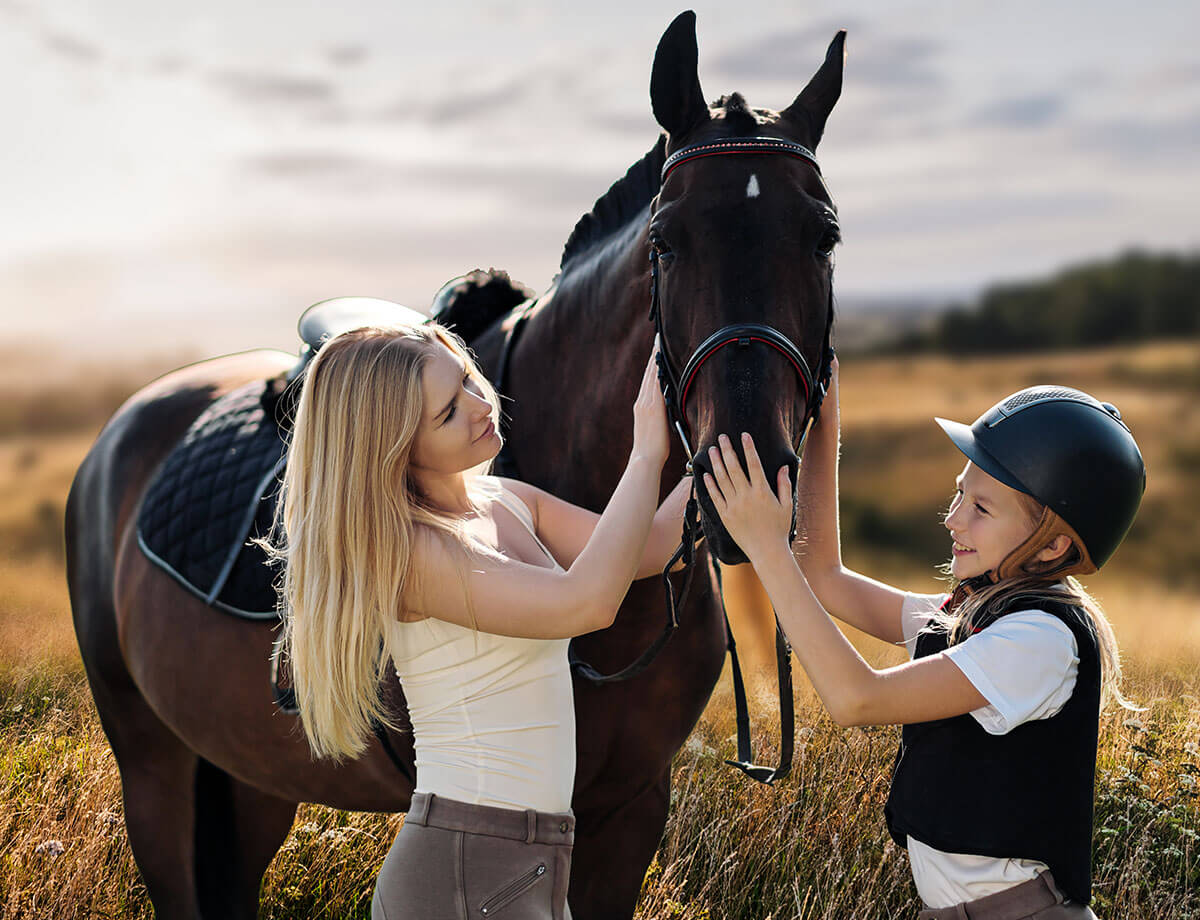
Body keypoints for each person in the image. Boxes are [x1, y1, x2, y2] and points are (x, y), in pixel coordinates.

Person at [265, 318, 687, 920]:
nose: (476, 404)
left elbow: (652, 545)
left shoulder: (507, 501)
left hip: (528, 861)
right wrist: (647, 454)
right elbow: (587, 602)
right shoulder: (413, 551)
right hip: (465, 869)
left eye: (464, 379)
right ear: (396, 446)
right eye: (446, 413)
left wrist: (720, 448)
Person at [701, 361, 1145, 920]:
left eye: (981, 508)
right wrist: (823, 418)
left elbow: (857, 698)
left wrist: (766, 547)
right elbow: (824, 578)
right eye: (960, 494)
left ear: (1053, 547)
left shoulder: (1040, 640)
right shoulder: (980, 611)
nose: (953, 519)